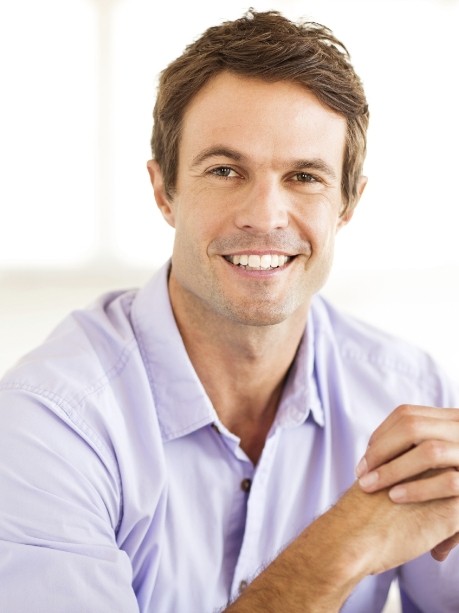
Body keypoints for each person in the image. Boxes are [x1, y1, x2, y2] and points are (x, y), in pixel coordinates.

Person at [1, 9, 459, 612]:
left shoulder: (410, 391)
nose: (265, 216)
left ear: (347, 205)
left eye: (304, 176)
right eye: (224, 170)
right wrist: (342, 547)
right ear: (165, 191)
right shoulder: (48, 425)